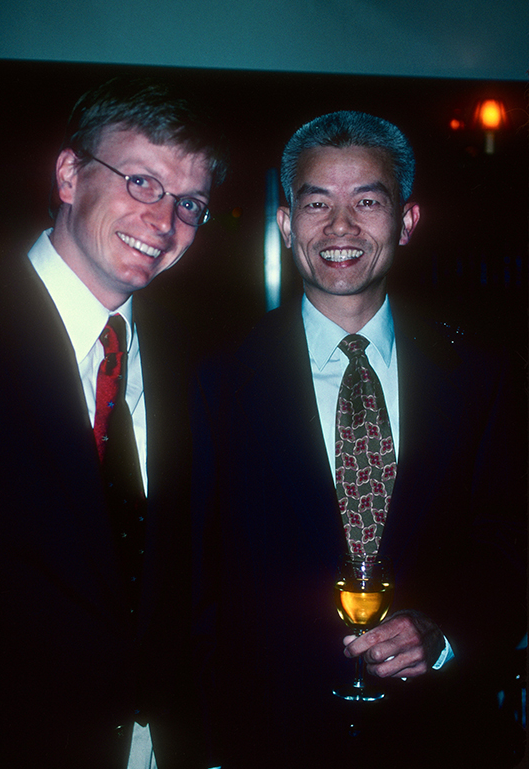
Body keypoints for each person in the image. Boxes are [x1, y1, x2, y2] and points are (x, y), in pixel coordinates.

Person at [193, 111, 526, 768]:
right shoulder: (211, 378)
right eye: (317, 203)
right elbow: (192, 576)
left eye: (367, 202)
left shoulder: (485, 375)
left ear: (407, 222)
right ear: (287, 225)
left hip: (439, 738)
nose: (340, 227)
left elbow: (512, 539)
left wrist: (448, 629)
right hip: (267, 738)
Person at [0, 76, 227, 769]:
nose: (164, 221)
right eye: (143, 182)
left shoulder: (197, 357)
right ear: (68, 174)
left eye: (190, 204)